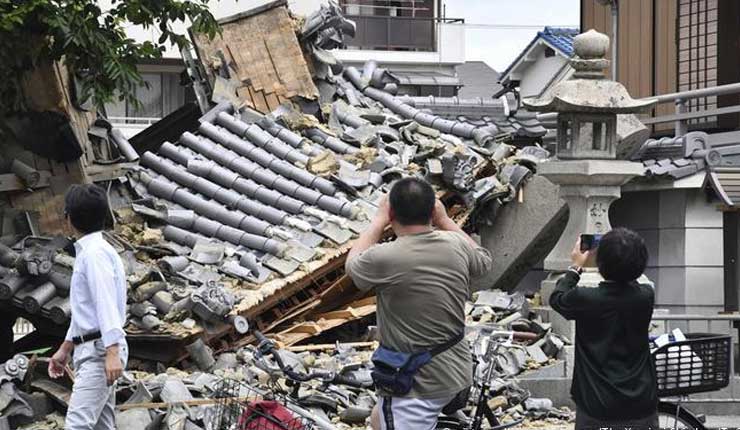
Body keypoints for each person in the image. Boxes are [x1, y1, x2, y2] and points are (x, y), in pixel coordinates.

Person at [345, 177, 493, 430]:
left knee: (388, 416)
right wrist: (445, 221)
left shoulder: (386, 256)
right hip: (456, 371)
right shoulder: (456, 244)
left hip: (418, 383)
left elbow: (353, 265)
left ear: (392, 212)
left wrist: (379, 221)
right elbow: (483, 259)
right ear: (432, 210)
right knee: (379, 419)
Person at [549, 227, 658, 430]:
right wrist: (626, 258)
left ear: (601, 263)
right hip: (641, 400)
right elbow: (630, 282)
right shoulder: (646, 296)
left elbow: (557, 298)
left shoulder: (585, 299)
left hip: (596, 402)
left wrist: (576, 267)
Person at [48, 184, 128, 430]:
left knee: (77, 425)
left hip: (100, 352)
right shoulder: (94, 251)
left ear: (69, 218)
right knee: (102, 425)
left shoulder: (94, 255)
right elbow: (87, 311)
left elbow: (105, 304)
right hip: (94, 349)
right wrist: (65, 349)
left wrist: (112, 352)